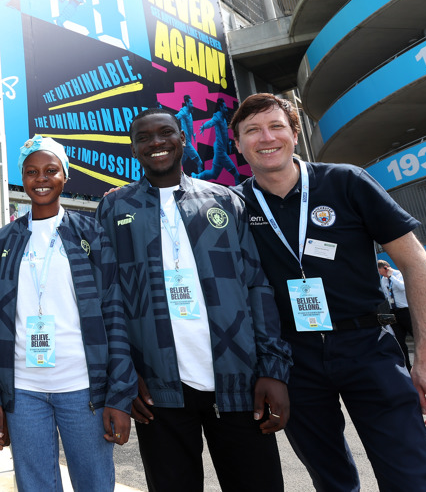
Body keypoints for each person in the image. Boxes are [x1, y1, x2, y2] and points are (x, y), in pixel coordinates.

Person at [231, 93, 426, 491]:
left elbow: (417, 264)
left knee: (409, 476)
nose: (266, 138)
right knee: (331, 480)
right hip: (294, 358)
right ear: (238, 143)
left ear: (294, 134)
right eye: (252, 131)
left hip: (368, 345)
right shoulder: (234, 204)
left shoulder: (346, 181)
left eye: (276, 126)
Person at [95, 108, 290, 491]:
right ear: (133, 149)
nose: (156, 143)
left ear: (183, 138)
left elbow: (257, 286)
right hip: (157, 390)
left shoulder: (224, 200)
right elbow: (108, 297)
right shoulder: (115, 208)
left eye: (165, 133)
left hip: (238, 382)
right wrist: (123, 376)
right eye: (144, 137)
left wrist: (273, 369)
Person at [0, 136, 136, 492]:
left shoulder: (91, 233)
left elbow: (114, 314)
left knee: (95, 483)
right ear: (22, 176)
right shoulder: (4, 241)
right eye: (32, 171)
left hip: (84, 388)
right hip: (24, 390)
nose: (41, 179)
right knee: (34, 486)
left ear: (65, 176)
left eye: (51, 170)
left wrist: (119, 395)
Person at [193, 97, 242, 184]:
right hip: (220, 151)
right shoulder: (218, 116)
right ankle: (239, 194)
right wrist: (204, 126)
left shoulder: (223, 118)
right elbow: (211, 122)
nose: (226, 109)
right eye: (224, 107)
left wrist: (228, 145)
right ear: (220, 107)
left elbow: (224, 135)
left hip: (220, 150)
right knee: (236, 175)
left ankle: (196, 177)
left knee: (214, 174)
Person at [379, 259, 413, 369]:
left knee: (418, 338)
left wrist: (391, 277)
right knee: (399, 341)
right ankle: (406, 366)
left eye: (380, 271)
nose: (380, 274)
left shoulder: (399, 275)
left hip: (406, 310)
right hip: (394, 311)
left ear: (385, 268)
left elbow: (403, 288)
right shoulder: (383, 279)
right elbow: (385, 295)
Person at [175, 94, 204, 174]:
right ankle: (200, 180)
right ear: (187, 103)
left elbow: (190, 126)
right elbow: (176, 117)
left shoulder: (190, 114)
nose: (192, 105)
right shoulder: (183, 112)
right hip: (186, 143)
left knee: (180, 163)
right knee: (200, 163)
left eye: (192, 103)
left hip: (187, 143)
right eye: (191, 103)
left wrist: (193, 134)